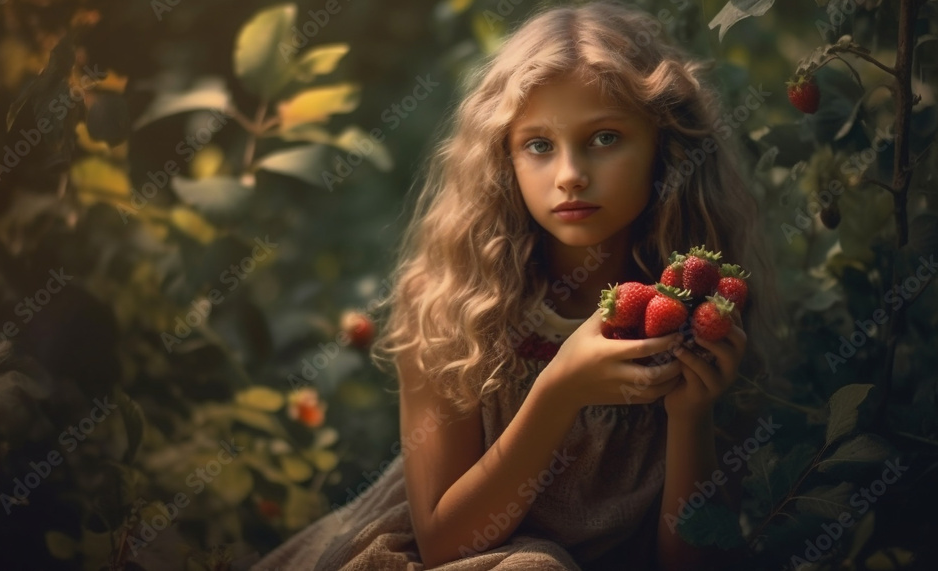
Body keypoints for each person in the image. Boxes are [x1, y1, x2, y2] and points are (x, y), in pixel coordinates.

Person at [252, 1, 782, 569]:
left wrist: (690, 417)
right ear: (502, 159)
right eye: (538, 145)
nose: (570, 173)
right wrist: (557, 391)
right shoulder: (452, 299)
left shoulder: (697, 307)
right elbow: (442, 545)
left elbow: (692, 562)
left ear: (663, 145)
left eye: (604, 138)